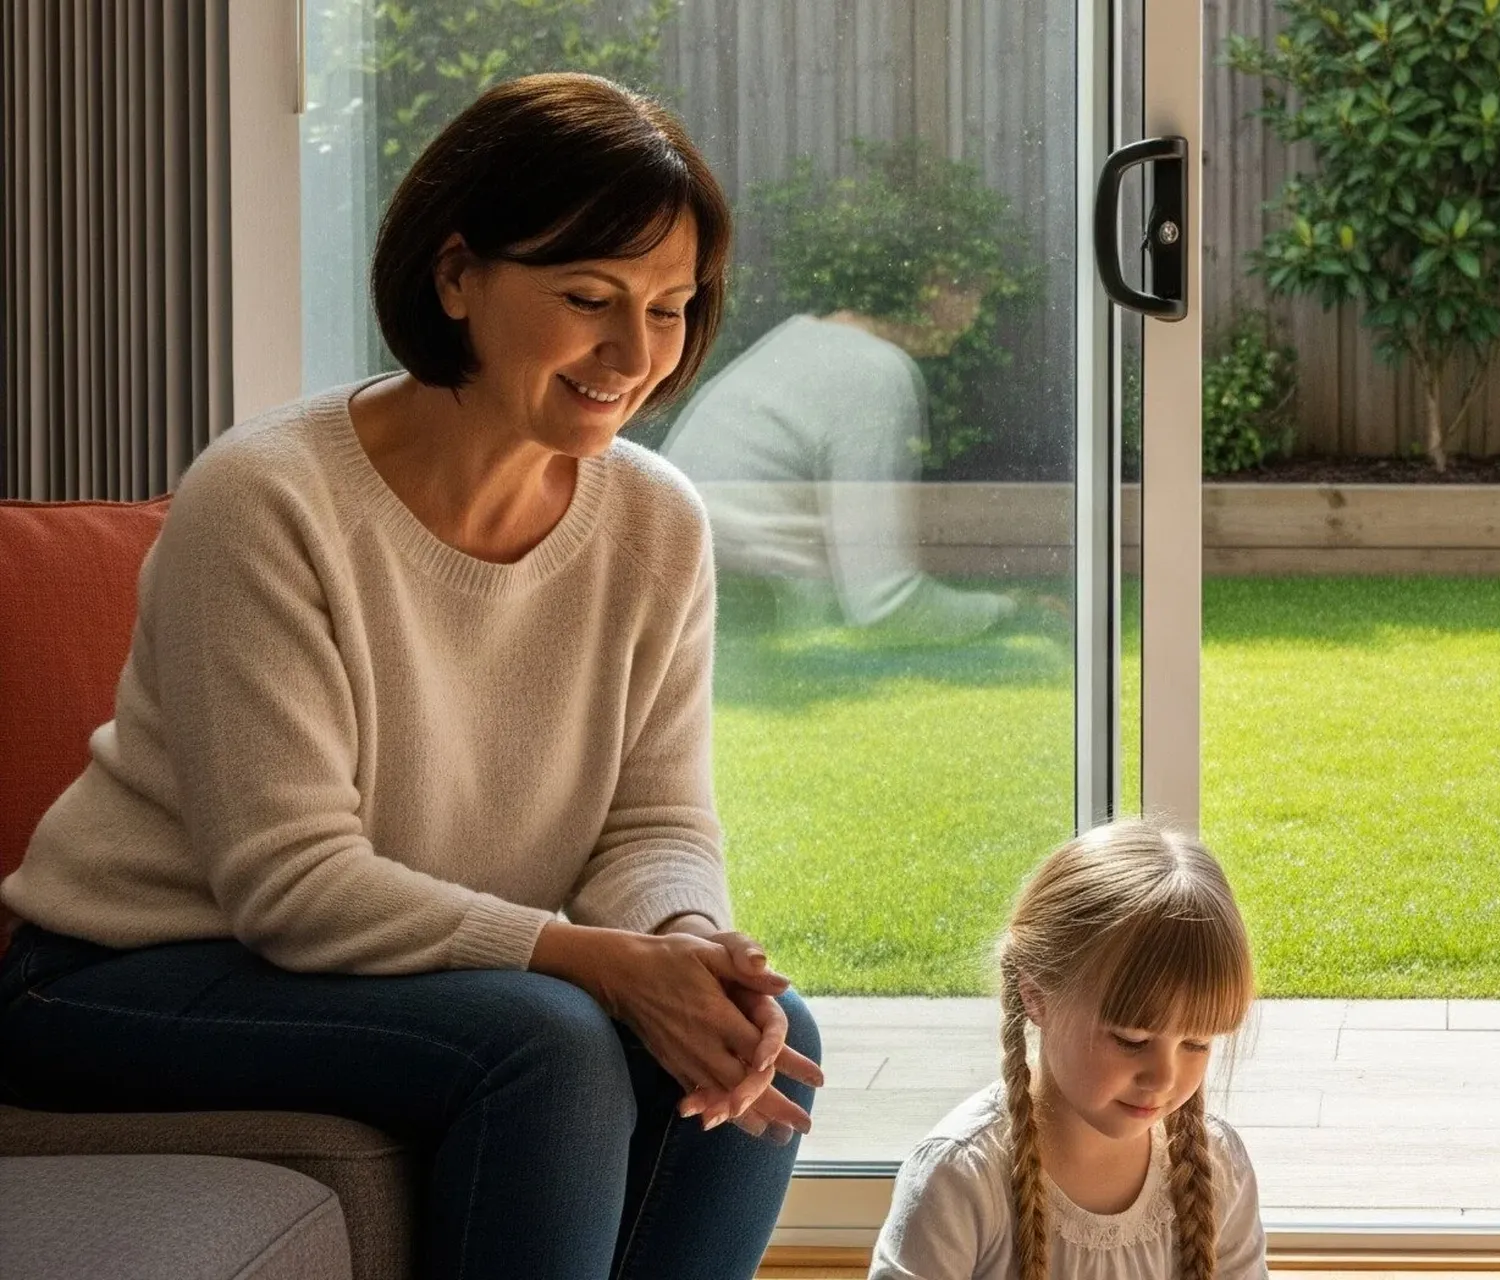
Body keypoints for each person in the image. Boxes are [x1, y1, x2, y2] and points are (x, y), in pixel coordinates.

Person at [0, 73, 820, 1280]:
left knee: (767, 1026)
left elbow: (654, 820)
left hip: (417, 970)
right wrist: (598, 960)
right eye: (589, 298)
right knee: (547, 1039)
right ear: (456, 277)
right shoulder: (270, 498)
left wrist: (687, 942)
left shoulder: (656, 520)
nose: (635, 353)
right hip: (120, 975)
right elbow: (291, 882)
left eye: (670, 305)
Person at [869, 819, 1268, 1280]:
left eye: (1197, 1042)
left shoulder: (1219, 1167)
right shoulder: (961, 1177)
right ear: (1037, 997)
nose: (1164, 1077)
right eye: (1131, 1040)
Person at [661, 273, 1023, 644]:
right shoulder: (873, 371)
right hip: (750, 628)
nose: (974, 311)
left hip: (692, 615)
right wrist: (1012, 610)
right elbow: (884, 607)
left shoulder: (800, 340)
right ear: (908, 285)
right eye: (961, 287)